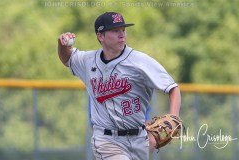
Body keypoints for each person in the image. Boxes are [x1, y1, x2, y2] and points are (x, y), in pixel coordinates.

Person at [58, 12, 181, 160]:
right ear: (100, 36)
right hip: (106, 140)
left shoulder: (140, 61)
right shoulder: (88, 61)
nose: (122, 34)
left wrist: (174, 118)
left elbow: (173, 88)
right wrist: (62, 45)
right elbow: (68, 59)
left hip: (140, 139)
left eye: (123, 30)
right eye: (115, 30)